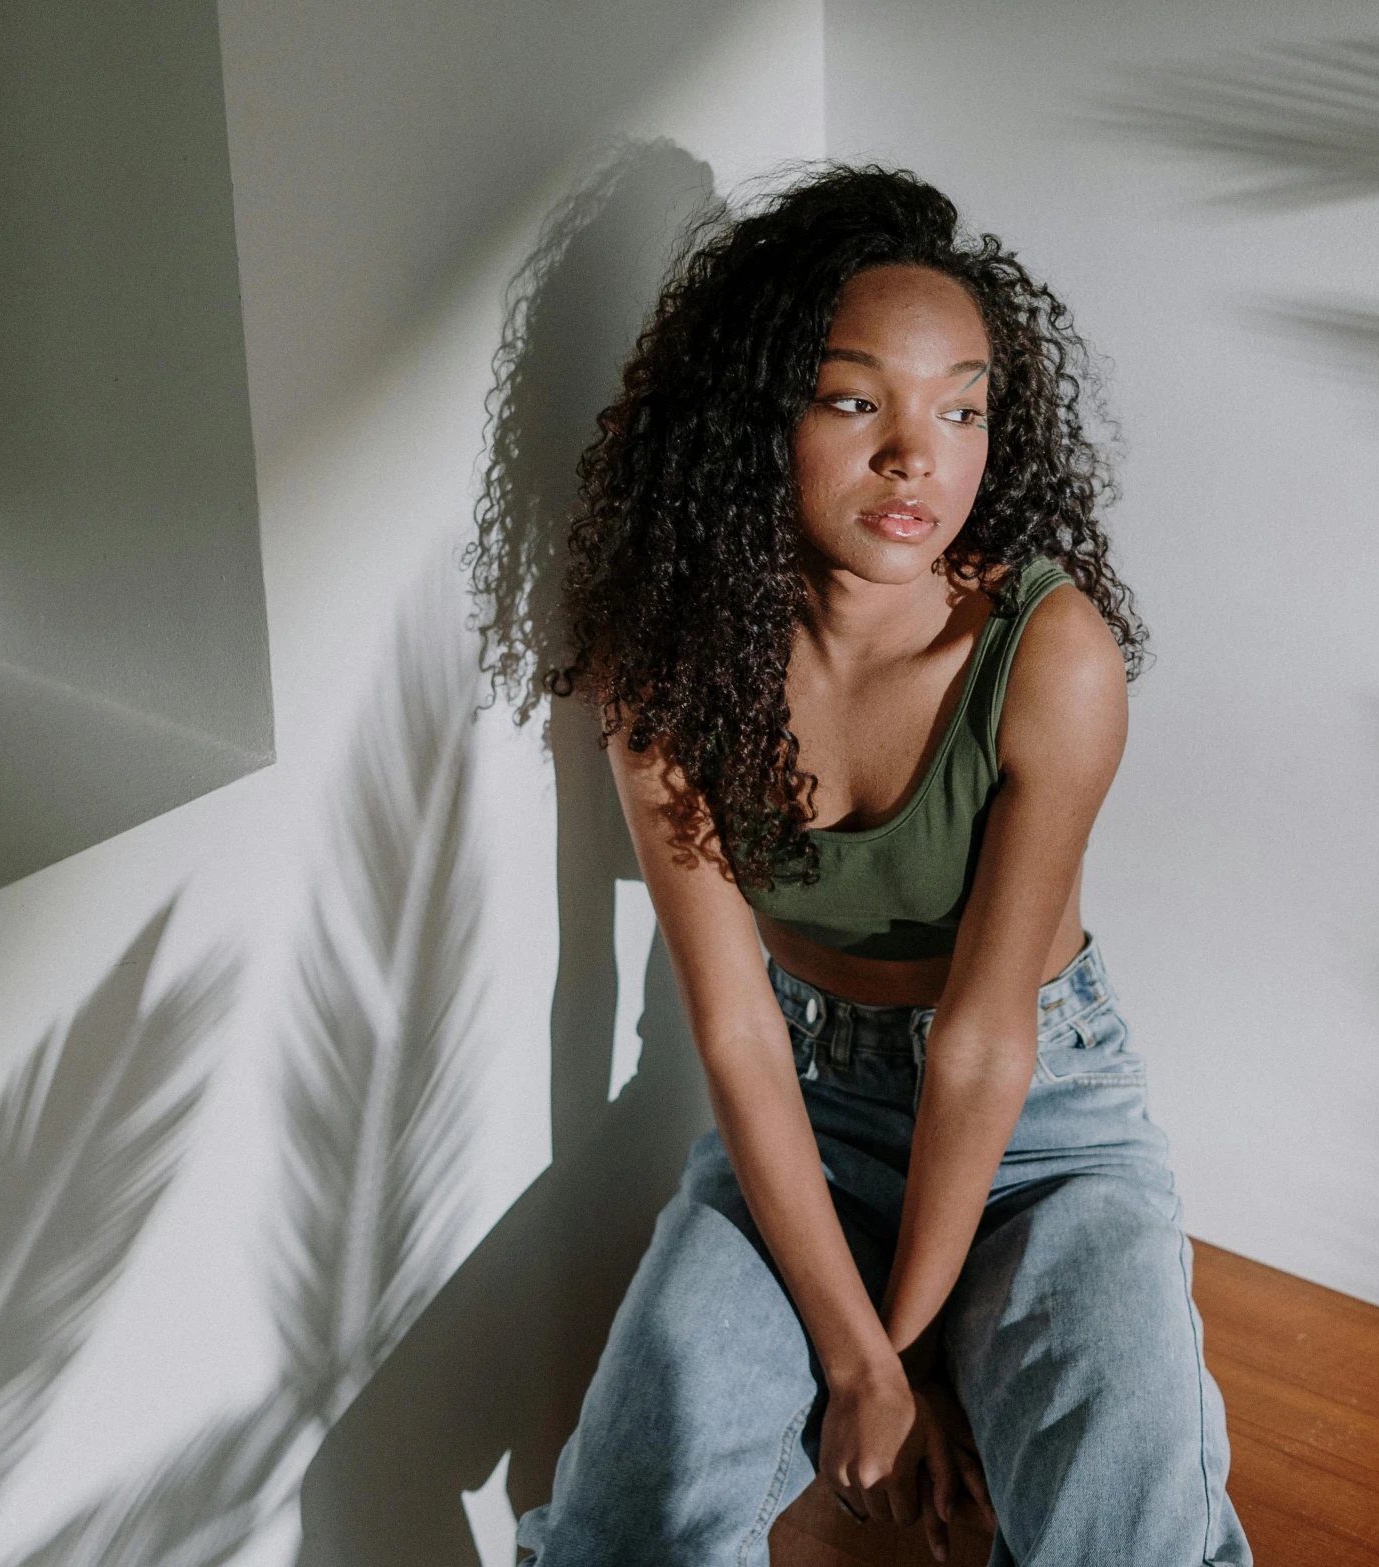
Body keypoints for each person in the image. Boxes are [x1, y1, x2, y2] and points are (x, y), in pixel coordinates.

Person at [467, 161, 1251, 1567]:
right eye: (854, 400)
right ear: (753, 419)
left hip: (1040, 1135)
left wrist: (900, 1355)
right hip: (808, 1122)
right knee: (621, 1528)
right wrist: (865, 1369)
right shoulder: (671, 665)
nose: (919, 457)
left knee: (1124, 1538)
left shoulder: (1047, 655)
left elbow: (980, 1046)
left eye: (962, 407)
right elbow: (734, 1031)